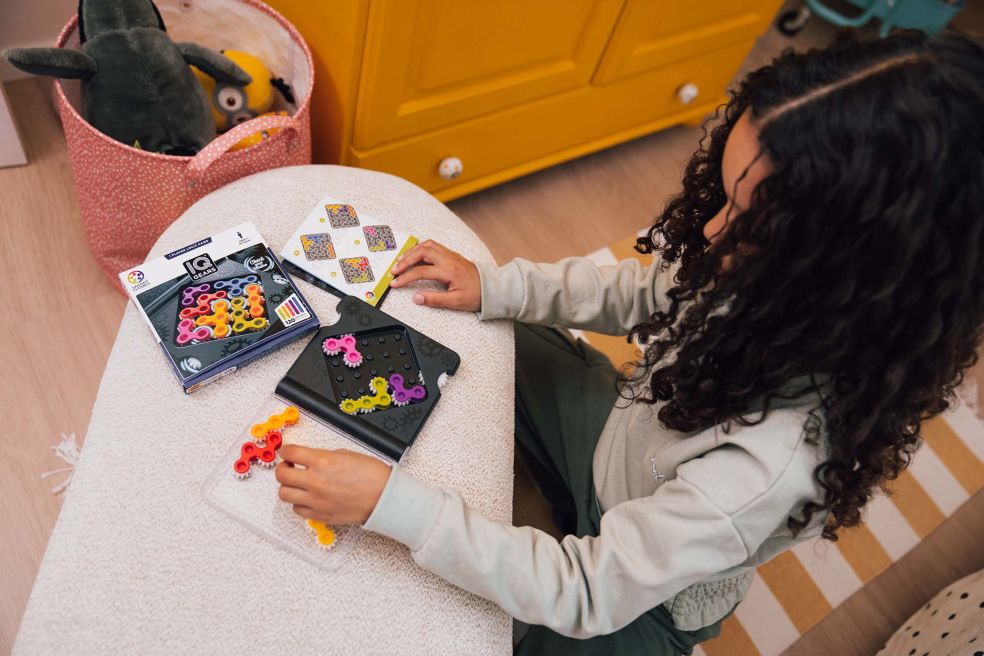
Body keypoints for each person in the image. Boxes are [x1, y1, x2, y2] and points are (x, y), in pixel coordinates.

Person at [274, 30, 984, 655]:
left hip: (644, 601)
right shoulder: (757, 270)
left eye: (749, 223)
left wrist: (392, 506)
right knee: (485, 324)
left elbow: (587, 590)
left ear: (851, 274)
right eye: (727, 198)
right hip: (618, 441)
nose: (714, 231)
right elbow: (643, 291)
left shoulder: (773, 461)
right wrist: (494, 285)